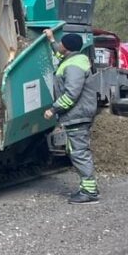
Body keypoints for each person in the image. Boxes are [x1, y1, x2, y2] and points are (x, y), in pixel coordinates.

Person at [43, 29, 99, 204]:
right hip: (79, 115)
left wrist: (54, 109)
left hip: (77, 115)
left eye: (61, 43)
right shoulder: (73, 60)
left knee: (79, 152)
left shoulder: (73, 66)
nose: (59, 45)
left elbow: (72, 94)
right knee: (77, 151)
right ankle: (88, 189)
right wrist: (51, 40)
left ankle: (89, 192)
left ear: (66, 47)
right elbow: (59, 57)